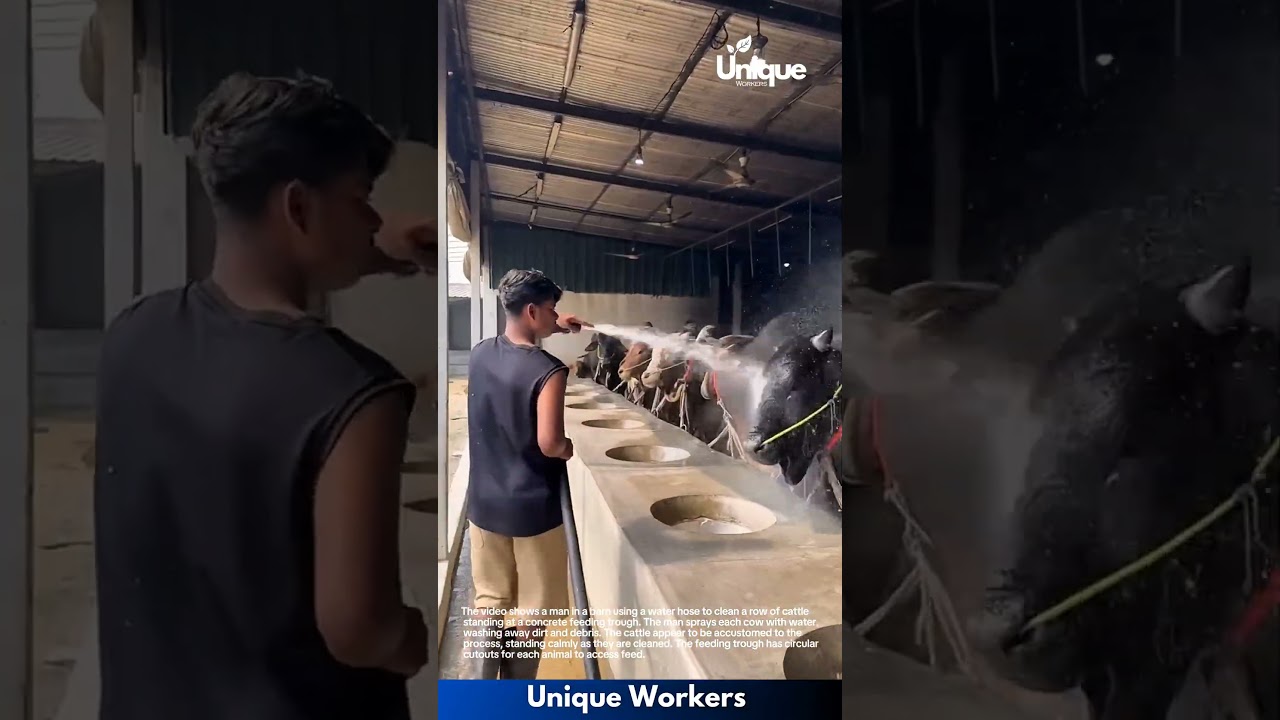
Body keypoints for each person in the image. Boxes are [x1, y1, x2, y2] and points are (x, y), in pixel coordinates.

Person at [93, 72, 435, 720]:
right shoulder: (357, 396)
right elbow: (360, 629)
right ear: (299, 208)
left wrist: (376, 250)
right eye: (362, 199)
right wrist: (411, 639)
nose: (373, 220)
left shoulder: (132, 337)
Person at [465, 269, 584, 679]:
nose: (558, 317)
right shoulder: (550, 372)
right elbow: (550, 443)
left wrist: (554, 327)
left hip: (483, 504)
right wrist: (569, 448)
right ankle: (513, 698)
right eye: (552, 311)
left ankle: (483, 691)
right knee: (532, 610)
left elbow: (506, 382)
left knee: (491, 601)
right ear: (532, 310)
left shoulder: (480, 352)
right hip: (533, 510)